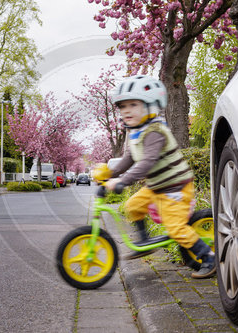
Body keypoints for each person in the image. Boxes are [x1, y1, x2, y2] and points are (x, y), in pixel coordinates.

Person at [97, 75, 215, 279]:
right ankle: (144, 243)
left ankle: (208, 258)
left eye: (133, 104)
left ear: (151, 106)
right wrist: (109, 174)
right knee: (133, 206)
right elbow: (130, 158)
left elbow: (146, 162)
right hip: (156, 187)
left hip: (175, 187)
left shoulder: (155, 131)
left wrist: (123, 181)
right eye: (123, 106)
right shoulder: (135, 132)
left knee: (176, 228)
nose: (126, 110)